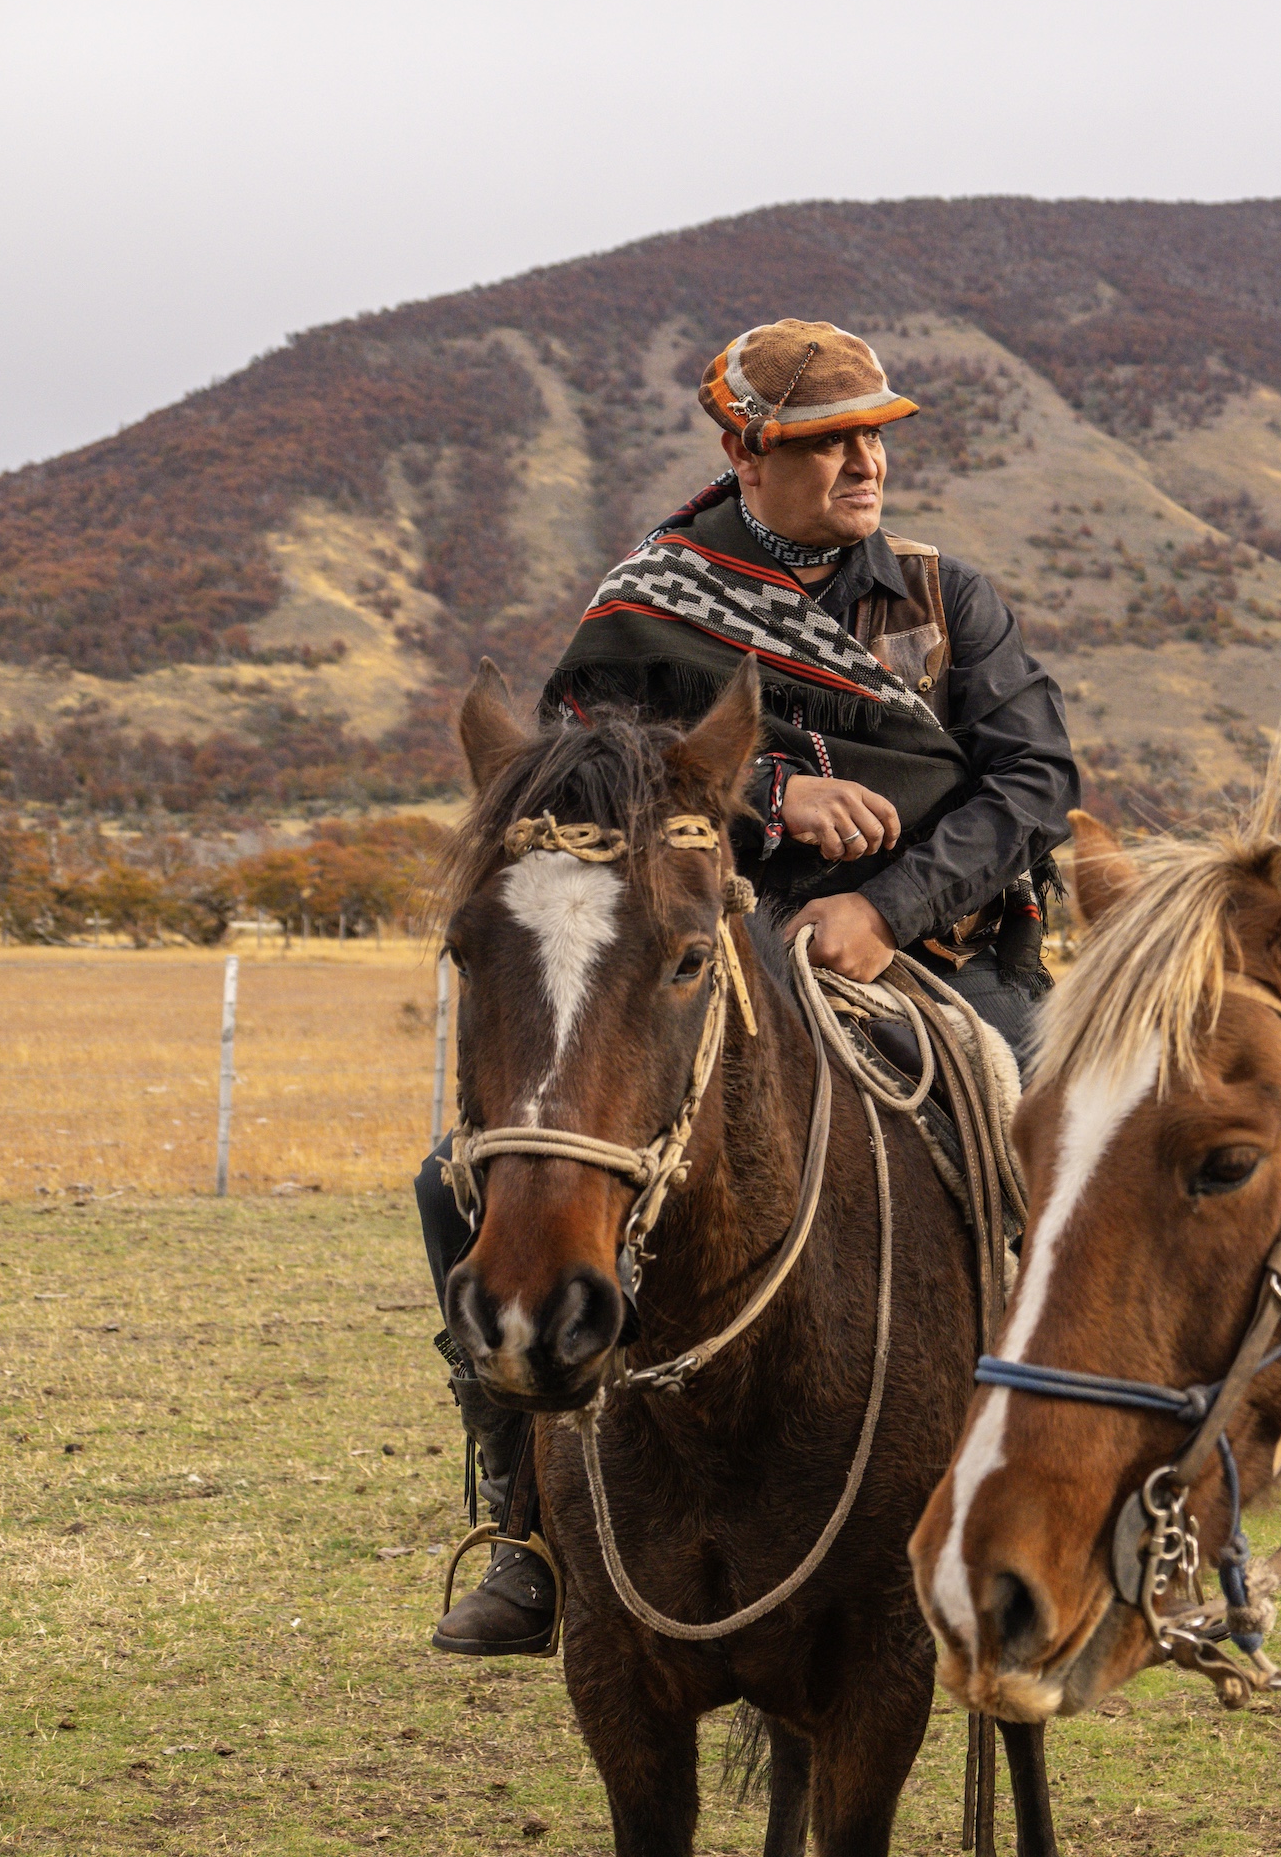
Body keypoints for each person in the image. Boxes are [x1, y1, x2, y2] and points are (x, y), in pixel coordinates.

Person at [417, 318, 1080, 1657]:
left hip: (943, 952)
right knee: (462, 1184)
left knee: (1074, 1161)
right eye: (821, 441)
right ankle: (527, 1525)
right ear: (742, 452)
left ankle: (1081, 1490)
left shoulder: (950, 604)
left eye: (873, 434)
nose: (860, 461)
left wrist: (885, 909)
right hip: (709, 948)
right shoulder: (649, 607)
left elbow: (1033, 785)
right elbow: (572, 781)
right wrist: (768, 789)